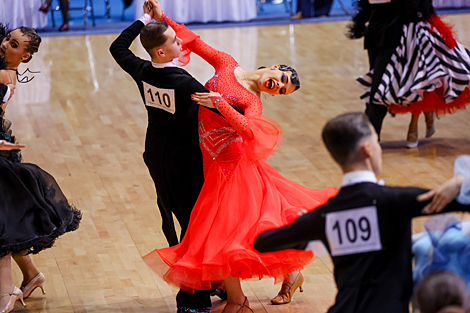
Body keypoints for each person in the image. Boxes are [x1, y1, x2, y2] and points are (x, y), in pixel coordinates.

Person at [142, 2, 338, 312]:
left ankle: (240, 299)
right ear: (274, 66)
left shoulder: (253, 101)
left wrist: (220, 103)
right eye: (282, 80)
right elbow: (194, 42)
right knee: (249, 226)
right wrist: (160, 17)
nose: (278, 87)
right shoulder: (227, 64)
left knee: (229, 232)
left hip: (230, 165)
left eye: (282, 92)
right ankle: (289, 273)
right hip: (207, 158)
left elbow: (248, 129)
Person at [253, 112, 470, 313]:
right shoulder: (396, 201)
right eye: (377, 142)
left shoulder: (325, 216)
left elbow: (263, 242)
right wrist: (461, 182)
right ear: (367, 149)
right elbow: (463, 203)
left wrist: (307, 231)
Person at [109, 1, 239, 311]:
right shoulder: (184, 83)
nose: (181, 42)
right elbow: (223, 111)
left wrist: (144, 19)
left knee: (181, 217)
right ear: (161, 53)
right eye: (175, 41)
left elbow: (118, 47)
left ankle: (211, 281)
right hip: (186, 162)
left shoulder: (142, 70)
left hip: (156, 155)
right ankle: (193, 297)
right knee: (195, 224)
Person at [0, 26, 81, 313]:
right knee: (9, 220)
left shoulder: (4, 75)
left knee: (3, 223)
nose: (4, 45)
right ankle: (32, 276)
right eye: (7, 39)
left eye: (13, 44)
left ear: (24, 57)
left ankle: (5, 291)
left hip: (0, 149)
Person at [349, 0, 470, 146]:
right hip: (379, 33)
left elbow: (414, 8)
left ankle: (368, 141)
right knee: (377, 90)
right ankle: (368, 140)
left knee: (378, 93)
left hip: (394, 35)